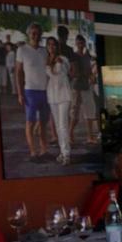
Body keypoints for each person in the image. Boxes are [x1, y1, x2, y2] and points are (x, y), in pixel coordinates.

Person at [14, 24, 52, 163]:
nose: (35, 36)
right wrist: (19, 93)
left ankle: (44, 150)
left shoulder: (44, 51)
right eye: (33, 33)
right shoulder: (22, 50)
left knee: (43, 122)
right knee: (30, 122)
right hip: (30, 91)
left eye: (38, 33)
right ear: (28, 34)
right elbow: (18, 72)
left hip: (45, 91)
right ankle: (33, 152)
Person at [44, 36, 74, 165]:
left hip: (64, 94)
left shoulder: (63, 59)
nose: (51, 47)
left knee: (63, 125)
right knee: (57, 125)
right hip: (52, 94)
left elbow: (69, 72)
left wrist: (61, 63)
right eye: (49, 44)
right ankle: (62, 152)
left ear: (57, 46)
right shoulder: (46, 60)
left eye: (54, 44)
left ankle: (67, 154)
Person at [70, 34, 100, 145]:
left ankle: (90, 136)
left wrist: (92, 75)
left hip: (87, 86)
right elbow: (75, 72)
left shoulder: (87, 55)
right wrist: (89, 75)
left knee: (90, 112)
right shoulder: (74, 56)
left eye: (82, 43)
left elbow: (90, 69)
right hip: (77, 87)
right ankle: (70, 133)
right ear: (76, 44)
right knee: (75, 114)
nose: (81, 45)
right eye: (79, 43)